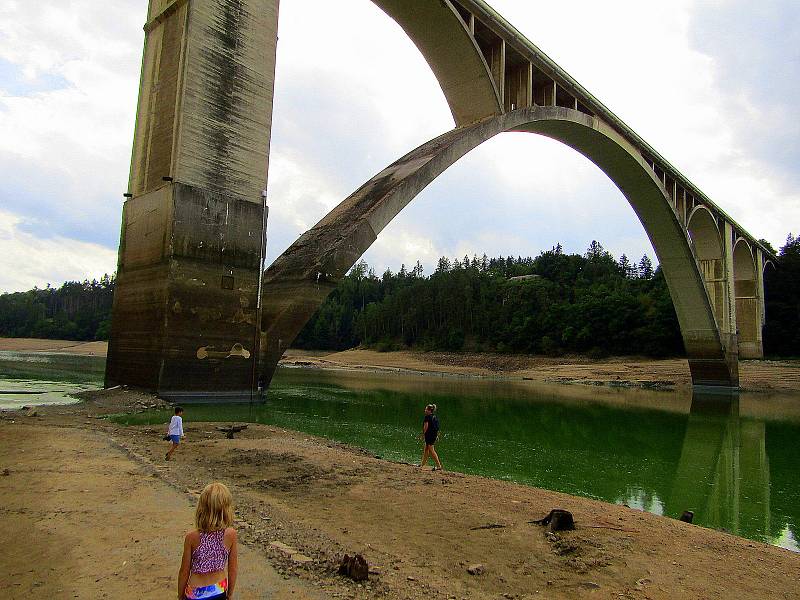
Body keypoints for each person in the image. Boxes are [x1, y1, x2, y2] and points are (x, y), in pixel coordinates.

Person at [178, 482, 238, 600]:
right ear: (226, 510)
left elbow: (184, 571)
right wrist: (230, 593)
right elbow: (233, 568)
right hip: (218, 588)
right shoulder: (231, 535)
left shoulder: (191, 537)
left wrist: (180, 595)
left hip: (195, 591)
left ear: (201, 509)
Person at [420, 403, 443, 471]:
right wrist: (437, 435)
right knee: (426, 449)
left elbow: (426, 427)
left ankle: (439, 466)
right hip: (433, 435)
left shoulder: (427, 417)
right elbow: (437, 427)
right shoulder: (434, 417)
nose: (425, 410)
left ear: (429, 410)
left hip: (429, 435)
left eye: (426, 409)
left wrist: (423, 434)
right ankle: (422, 464)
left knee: (431, 449)